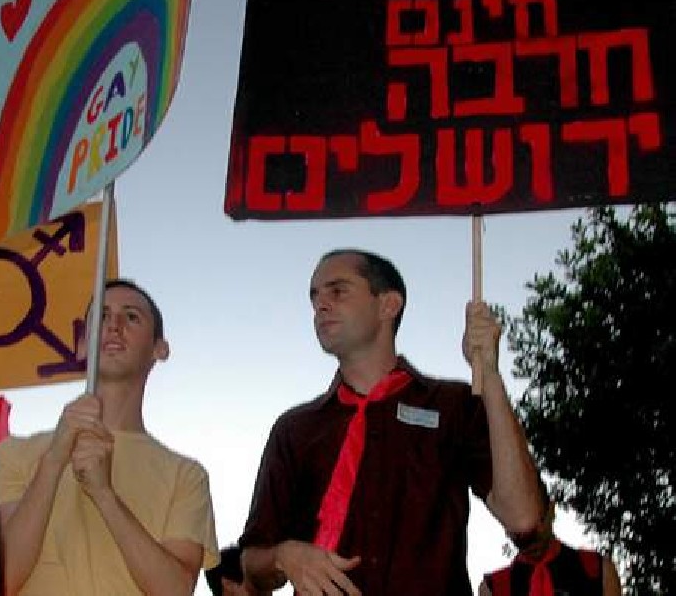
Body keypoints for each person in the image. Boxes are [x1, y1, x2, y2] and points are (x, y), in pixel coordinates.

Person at [240, 249, 543, 596]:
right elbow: (253, 564)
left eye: (337, 291)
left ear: (388, 305)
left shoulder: (454, 405)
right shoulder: (295, 429)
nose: (320, 306)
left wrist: (488, 373)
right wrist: (284, 556)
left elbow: (522, 517)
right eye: (315, 297)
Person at [0, 279, 219, 595]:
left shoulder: (186, 475)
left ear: (159, 349)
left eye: (132, 316)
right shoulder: (12, 455)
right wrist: (54, 462)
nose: (114, 325)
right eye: (102, 317)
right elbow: (0, 581)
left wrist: (104, 494)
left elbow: (175, 590)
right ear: (82, 344)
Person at [480, 482, 623, 596]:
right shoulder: (494, 587)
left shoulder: (597, 569)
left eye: (537, 519)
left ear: (551, 510)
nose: (528, 534)